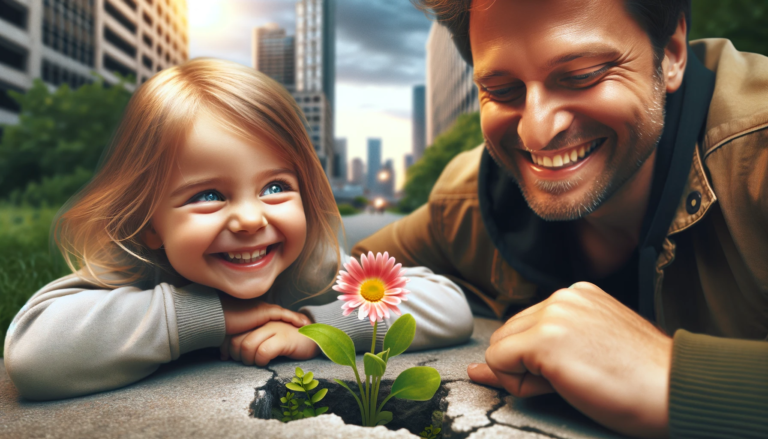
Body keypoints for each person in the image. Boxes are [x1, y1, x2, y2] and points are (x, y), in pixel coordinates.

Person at [353, 0, 768, 437]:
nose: (536, 131)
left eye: (582, 76)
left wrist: (673, 379)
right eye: (503, 90)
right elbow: (357, 275)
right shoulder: (468, 200)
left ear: (672, 52)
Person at [3, 59, 474, 401]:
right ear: (149, 225)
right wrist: (209, 317)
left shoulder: (311, 276)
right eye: (208, 195)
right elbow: (32, 357)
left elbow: (450, 308)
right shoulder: (138, 275)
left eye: (274, 187)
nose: (251, 219)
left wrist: (317, 331)